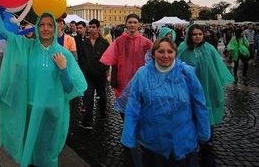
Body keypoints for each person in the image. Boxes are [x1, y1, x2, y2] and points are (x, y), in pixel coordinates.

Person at [0, 1, 87, 167]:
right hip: (30, 109)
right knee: (31, 150)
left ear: (55, 28)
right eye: (41, 24)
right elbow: (1, 31)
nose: (46, 28)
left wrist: (63, 69)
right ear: (36, 27)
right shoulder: (27, 47)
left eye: (50, 25)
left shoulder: (63, 53)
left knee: (49, 153)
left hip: (52, 112)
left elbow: (71, 89)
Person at [120, 38, 210, 167]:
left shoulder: (186, 72)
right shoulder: (143, 74)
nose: (165, 56)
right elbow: (133, 106)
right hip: (152, 141)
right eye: (160, 51)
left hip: (183, 140)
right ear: (153, 53)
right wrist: (128, 136)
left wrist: (204, 132)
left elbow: (199, 103)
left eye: (170, 51)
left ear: (175, 53)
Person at [177, 24, 234, 166]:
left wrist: (217, 86)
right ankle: (192, 146)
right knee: (191, 118)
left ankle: (206, 147)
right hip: (190, 92)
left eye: (200, 34)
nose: (197, 37)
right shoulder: (182, 49)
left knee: (208, 117)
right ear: (189, 35)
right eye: (194, 34)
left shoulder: (209, 49)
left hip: (209, 89)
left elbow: (216, 68)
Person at [100, 14, 152, 100]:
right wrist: (113, 78)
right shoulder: (119, 41)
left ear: (139, 24)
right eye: (130, 22)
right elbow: (112, 60)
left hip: (140, 78)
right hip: (123, 78)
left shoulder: (146, 42)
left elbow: (152, 61)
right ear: (126, 24)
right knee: (124, 107)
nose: (132, 25)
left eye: (135, 22)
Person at [80, 18, 109, 129]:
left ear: (98, 28)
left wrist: (104, 69)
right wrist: (84, 70)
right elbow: (82, 58)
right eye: (90, 27)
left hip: (100, 75)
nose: (91, 29)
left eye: (93, 27)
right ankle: (87, 122)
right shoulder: (85, 43)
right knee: (88, 96)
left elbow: (108, 58)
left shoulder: (104, 42)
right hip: (88, 75)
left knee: (102, 96)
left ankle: (102, 113)